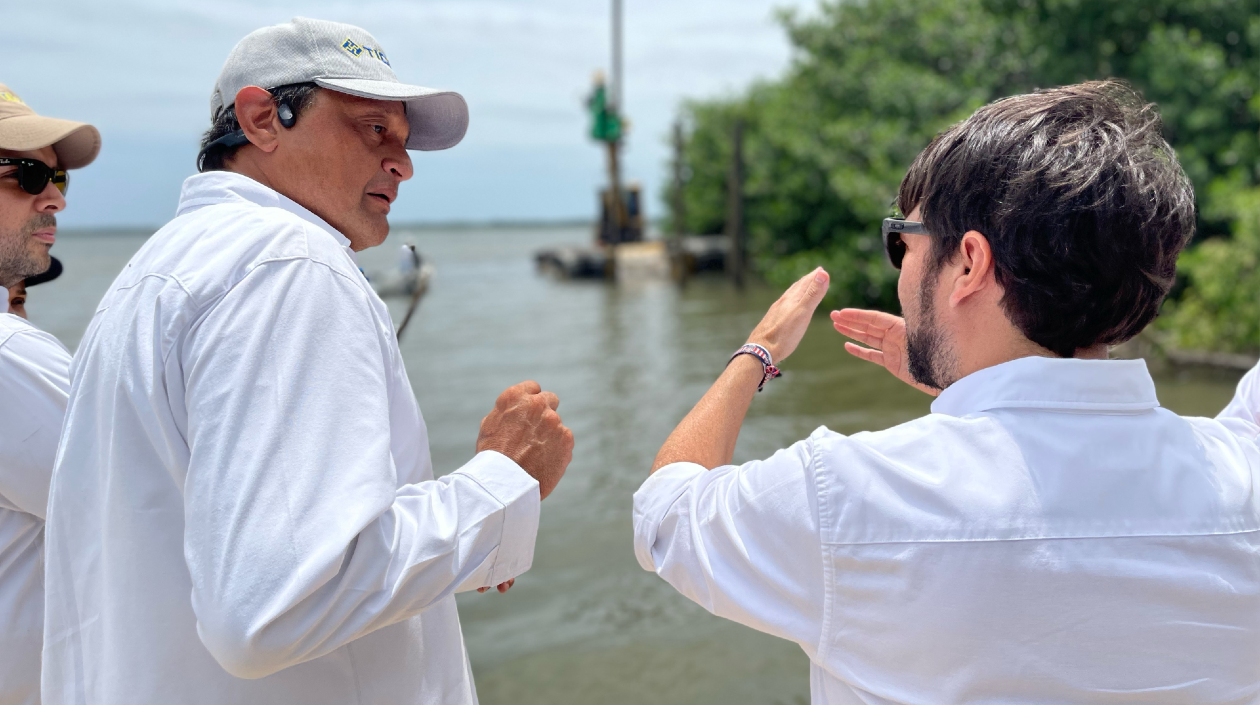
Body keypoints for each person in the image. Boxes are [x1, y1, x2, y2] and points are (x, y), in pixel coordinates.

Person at [633, 81, 1260, 704]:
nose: (900, 267)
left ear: (968, 263)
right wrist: (971, 380)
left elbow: (664, 515)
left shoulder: (848, 494)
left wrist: (758, 349)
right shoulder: (1242, 475)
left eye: (901, 240)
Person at [42, 18, 573, 705]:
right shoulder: (289, 263)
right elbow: (272, 605)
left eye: (405, 140)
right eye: (373, 129)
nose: (403, 163)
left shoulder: (149, 279)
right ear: (263, 119)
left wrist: (463, 541)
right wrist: (499, 483)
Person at [0, 84, 98, 705]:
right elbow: (163, 519)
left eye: (57, 174)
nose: (56, 197)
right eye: (29, 172)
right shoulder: (10, 357)